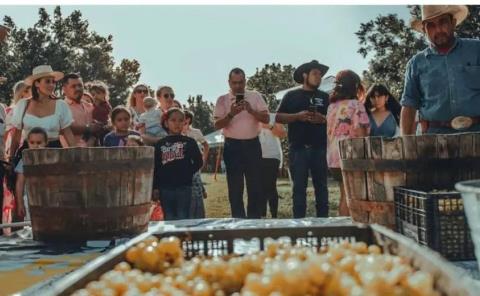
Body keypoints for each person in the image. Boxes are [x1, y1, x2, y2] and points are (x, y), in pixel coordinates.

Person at [400, 5, 480, 135]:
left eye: (443, 22)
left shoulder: (477, 49)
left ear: (453, 23)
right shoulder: (416, 64)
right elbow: (409, 105)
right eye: (431, 25)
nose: (438, 29)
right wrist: (406, 145)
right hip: (434, 141)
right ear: (424, 30)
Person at [276, 60, 329, 218]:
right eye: (315, 74)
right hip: (298, 149)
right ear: (305, 75)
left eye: (320, 74)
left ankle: (324, 227)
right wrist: (297, 116)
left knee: (322, 190)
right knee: (298, 191)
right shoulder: (292, 95)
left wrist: (323, 119)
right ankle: (298, 228)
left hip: (320, 149)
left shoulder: (325, 97)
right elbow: (277, 117)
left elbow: (333, 119)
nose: (319, 77)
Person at [214, 67, 269, 219]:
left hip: (252, 145)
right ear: (229, 83)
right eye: (234, 83)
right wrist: (231, 113)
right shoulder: (222, 99)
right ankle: (238, 222)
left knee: (255, 187)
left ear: (245, 81)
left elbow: (266, 119)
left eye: (241, 82)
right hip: (233, 146)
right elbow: (217, 125)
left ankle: (254, 222)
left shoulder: (255, 96)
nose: (238, 86)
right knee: (235, 188)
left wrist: (251, 110)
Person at [326, 70, 370, 216]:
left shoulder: (332, 107)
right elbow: (360, 132)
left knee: (344, 194)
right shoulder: (356, 105)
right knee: (352, 196)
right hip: (350, 155)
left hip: (333, 157)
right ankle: (349, 229)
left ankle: (342, 226)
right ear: (355, 86)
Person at [9, 65, 76, 158]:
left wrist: (77, 156)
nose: (52, 85)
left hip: (54, 153)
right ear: (37, 83)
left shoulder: (61, 105)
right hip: (28, 154)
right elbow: (16, 137)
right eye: (47, 81)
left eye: (53, 82)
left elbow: (68, 133)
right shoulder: (23, 104)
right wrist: (11, 158)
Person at [153, 108, 203, 220]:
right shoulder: (160, 144)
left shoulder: (190, 142)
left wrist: (187, 172)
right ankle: (170, 237)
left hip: (184, 186)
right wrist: (155, 187)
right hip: (165, 188)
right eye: (173, 120)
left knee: (183, 216)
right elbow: (156, 167)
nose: (177, 123)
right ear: (166, 123)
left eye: (181, 120)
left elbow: (199, 161)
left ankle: (183, 237)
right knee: (169, 217)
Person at [14, 127, 48, 221]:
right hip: (29, 199)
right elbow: (20, 183)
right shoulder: (24, 160)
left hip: (48, 198)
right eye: (32, 142)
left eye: (39, 143)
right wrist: (20, 203)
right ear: (27, 142)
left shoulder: (51, 159)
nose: (35, 146)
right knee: (31, 224)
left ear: (46, 142)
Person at [62, 73, 102, 147]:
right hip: (70, 155)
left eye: (80, 85)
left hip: (93, 153)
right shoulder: (61, 107)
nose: (78, 89)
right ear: (64, 89)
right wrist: (88, 128)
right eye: (73, 86)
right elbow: (64, 129)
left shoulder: (90, 106)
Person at [259, 114, 286, 218]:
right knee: (259, 188)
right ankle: (262, 217)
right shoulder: (251, 117)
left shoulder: (274, 117)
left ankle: (274, 216)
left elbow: (283, 134)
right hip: (256, 156)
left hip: (272, 155)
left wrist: (269, 126)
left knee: (270, 186)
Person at [183, 110, 209, 218]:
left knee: (196, 187)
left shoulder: (196, 132)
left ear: (188, 119)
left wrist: (203, 160)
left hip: (194, 164)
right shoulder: (177, 131)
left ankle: (198, 215)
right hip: (182, 166)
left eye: (183, 118)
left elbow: (206, 145)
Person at [88, 80, 112, 146]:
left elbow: (110, 115)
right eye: (93, 94)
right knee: (91, 140)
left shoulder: (106, 105)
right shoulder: (91, 105)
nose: (95, 96)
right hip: (94, 127)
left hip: (104, 127)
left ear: (104, 94)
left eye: (98, 93)